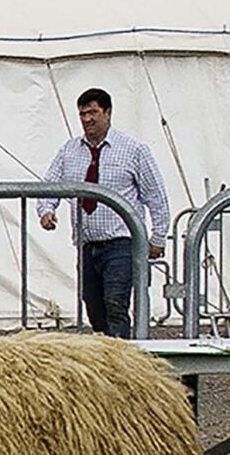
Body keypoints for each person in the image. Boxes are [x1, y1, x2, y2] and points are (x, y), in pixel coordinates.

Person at [36, 87, 169, 339]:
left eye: (93, 112)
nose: (87, 119)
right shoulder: (69, 150)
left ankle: (123, 359)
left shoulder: (134, 150)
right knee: (93, 306)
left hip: (121, 242)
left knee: (116, 303)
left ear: (108, 112)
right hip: (87, 243)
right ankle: (106, 354)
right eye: (83, 114)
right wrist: (47, 209)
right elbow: (49, 186)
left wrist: (158, 237)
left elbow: (156, 195)